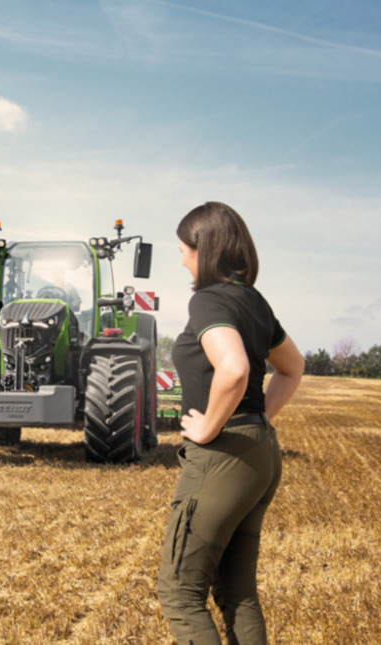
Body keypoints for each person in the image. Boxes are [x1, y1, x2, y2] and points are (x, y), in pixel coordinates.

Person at [156, 202, 304, 645]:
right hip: (260, 452)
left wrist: (209, 428)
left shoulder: (208, 300)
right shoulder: (254, 302)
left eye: (184, 248)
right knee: (238, 593)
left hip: (222, 458)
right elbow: (292, 367)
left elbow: (235, 369)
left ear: (203, 249)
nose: (181, 257)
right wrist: (255, 422)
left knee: (180, 593)